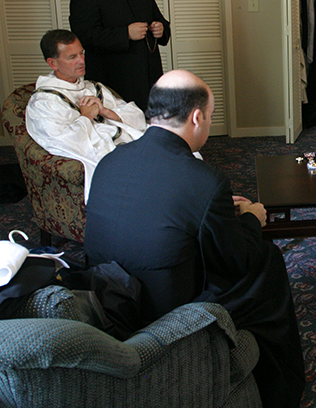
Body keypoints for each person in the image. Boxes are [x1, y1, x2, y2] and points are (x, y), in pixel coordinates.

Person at [84, 70, 304, 408]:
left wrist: (210, 213)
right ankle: (281, 385)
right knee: (265, 259)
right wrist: (250, 219)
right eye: (212, 117)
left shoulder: (110, 162)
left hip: (108, 294)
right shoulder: (205, 180)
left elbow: (157, 208)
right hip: (164, 312)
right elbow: (235, 260)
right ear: (197, 117)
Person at [25, 29, 146, 201]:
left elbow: (138, 118)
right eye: (72, 57)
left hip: (127, 145)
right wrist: (87, 117)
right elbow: (64, 143)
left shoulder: (92, 88)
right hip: (107, 155)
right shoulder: (45, 102)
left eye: (82, 53)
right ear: (53, 63)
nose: (81, 61)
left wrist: (106, 112)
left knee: (183, 158)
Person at [69, 0, 171, 111]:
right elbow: (84, 36)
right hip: (113, 80)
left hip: (148, 77)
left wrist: (161, 28)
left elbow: (162, 25)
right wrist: (125, 34)